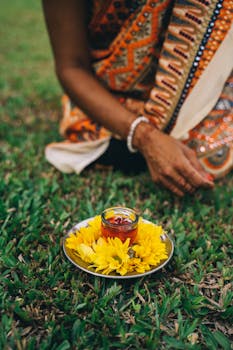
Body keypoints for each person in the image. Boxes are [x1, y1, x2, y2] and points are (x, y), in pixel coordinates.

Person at [42, 0, 233, 196]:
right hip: (110, 102)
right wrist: (144, 136)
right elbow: (72, 67)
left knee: (207, 152)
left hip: (205, 97)